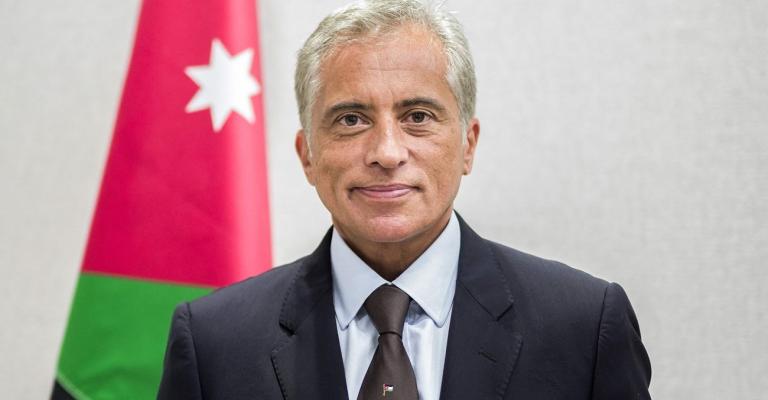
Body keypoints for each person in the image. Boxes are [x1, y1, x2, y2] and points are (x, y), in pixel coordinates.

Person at [157, 0, 652, 399]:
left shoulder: (583, 326)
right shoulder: (215, 342)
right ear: (307, 156)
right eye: (351, 119)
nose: (387, 153)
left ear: (468, 145)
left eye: (417, 116)